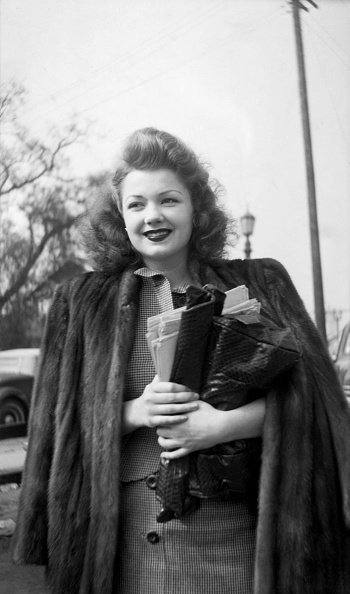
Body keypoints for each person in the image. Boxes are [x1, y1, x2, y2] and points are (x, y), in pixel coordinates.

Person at [12, 127, 350, 593]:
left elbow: (320, 408)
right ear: (119, 215)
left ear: (197, 208)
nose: (153, 216)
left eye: (169, 200)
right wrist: (130, 412)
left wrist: (224, 425)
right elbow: (54, 429)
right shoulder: (80, 302)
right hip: (123, 544)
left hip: (236, 538)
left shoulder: (262, 283)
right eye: (136, 204)